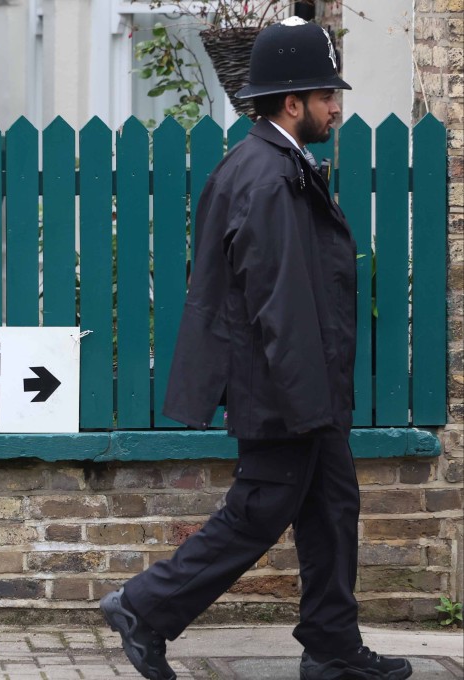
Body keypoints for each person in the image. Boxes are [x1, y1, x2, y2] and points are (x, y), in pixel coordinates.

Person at [99, 17, 413, 680]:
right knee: (257, 513)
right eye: (329, 94)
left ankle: (332, 648)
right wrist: (307, 405)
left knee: (331, 509)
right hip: (284, 390)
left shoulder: (278, 166)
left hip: (303, 389)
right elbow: (283, 303)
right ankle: (143, 607)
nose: (338, 106)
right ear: (293, 101)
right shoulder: (268, 179)